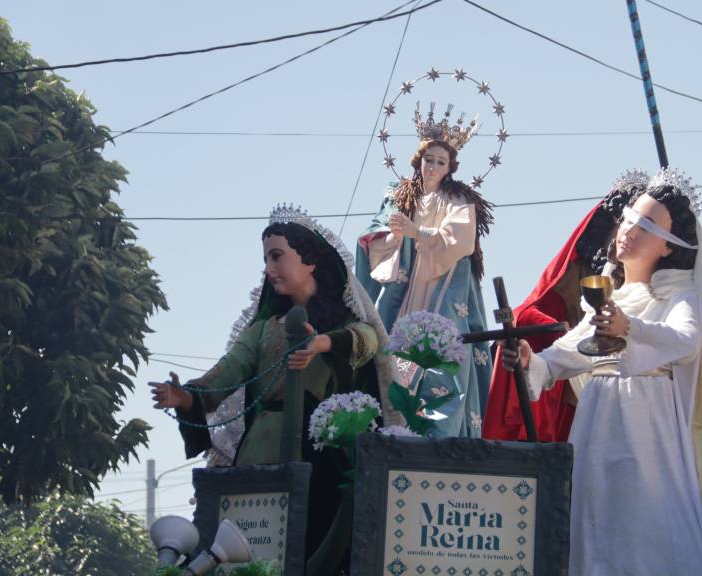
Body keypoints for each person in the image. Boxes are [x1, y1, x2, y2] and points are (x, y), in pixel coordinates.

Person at [503, 169, 702, 576]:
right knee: (595, 521)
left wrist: (632, 328)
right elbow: (564, 356)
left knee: (642, 528)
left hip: (647, 425)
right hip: (597, 424)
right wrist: (531, 362)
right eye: (629, 218)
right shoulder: (610, 295)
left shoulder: (681, 295)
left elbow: (684, 340)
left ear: (668, 246)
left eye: (646, 225)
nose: (629, 230)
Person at [151, 204, 399, 572]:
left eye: (277, 257)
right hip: (260, 448)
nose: (268, 269)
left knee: (315, 542)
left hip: (319, 453)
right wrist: (184, 397)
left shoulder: (342, 324)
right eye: (266, 259)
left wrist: (321, 345)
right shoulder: (265, 330)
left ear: (311, 260)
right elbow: (226, 375)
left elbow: (367, 340)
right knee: (251, 539)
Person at [355, 103, 494, 437]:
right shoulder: (399, 195)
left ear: (450, 168)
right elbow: (375, 234)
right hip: (404, 291)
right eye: (428, 159)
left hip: (441, 287)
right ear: (418, 162)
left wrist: (418, 233)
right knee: (396, 359)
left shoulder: (459, 199)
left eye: (440, 162)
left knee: (443, 361)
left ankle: (438, 434)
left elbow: (460, 241)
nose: (433, 166)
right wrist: (392, 235)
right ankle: (400, 424)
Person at [482, 171, 644, 442]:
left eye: (640, 227)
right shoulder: (583, 270)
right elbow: (532, 312)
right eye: (624, 224)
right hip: (575, 378)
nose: (627, 235)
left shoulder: (653, 285)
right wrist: (558, 334)